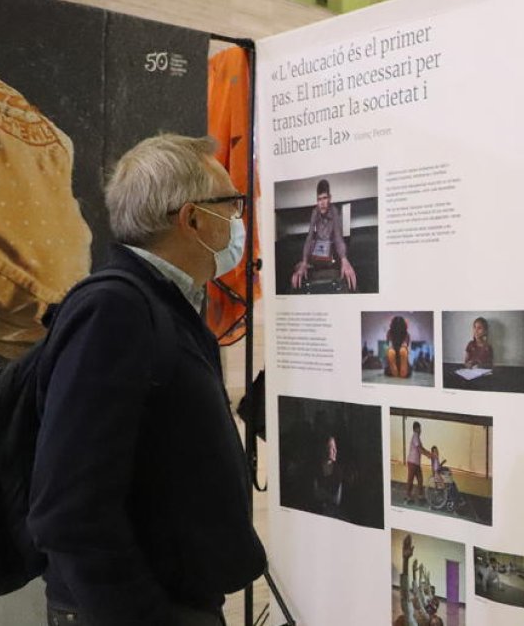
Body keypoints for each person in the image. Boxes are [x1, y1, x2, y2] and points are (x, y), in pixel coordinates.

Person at [28, 134, 266, 625]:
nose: (239, 219)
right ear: (192, 219)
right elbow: (68, 508)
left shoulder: (157, 305)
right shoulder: (115, 311)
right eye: (232, 204)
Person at [289, 178, 357, 292]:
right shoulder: (315, 212)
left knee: (343, 272)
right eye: (319, 199)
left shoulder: (334, 211)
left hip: (332, 249)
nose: (322, 203)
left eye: (325, 198)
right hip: (318, 250)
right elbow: (309, 237)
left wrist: (344, 259)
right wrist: (304, 261)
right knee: (298, 271)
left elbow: (338, 237)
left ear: (330, 198)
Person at [405, 421, 434, 505]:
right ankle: (408, 496)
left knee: (420, 479)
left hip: (416, 463)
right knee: (410, 480)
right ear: (416, 428)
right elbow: (420, 449)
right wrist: (427, 455)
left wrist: (429, 453)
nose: (421, 430)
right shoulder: (415, 436)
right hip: (412, 462)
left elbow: (422, 448)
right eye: (420, 428)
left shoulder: (417, 437)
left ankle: (420, 496)